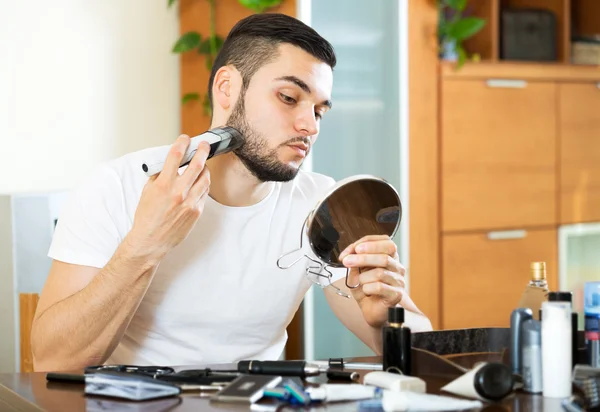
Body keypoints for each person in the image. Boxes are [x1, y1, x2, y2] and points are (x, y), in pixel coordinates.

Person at [31, 13, 432, 372]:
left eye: (319, 110)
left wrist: (387, 320)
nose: (310, 126)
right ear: (227, 88)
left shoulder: (321, 204)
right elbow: (52, 360)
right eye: (289, 98)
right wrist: (145, 244)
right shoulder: (118, 187)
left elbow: (427, 354)